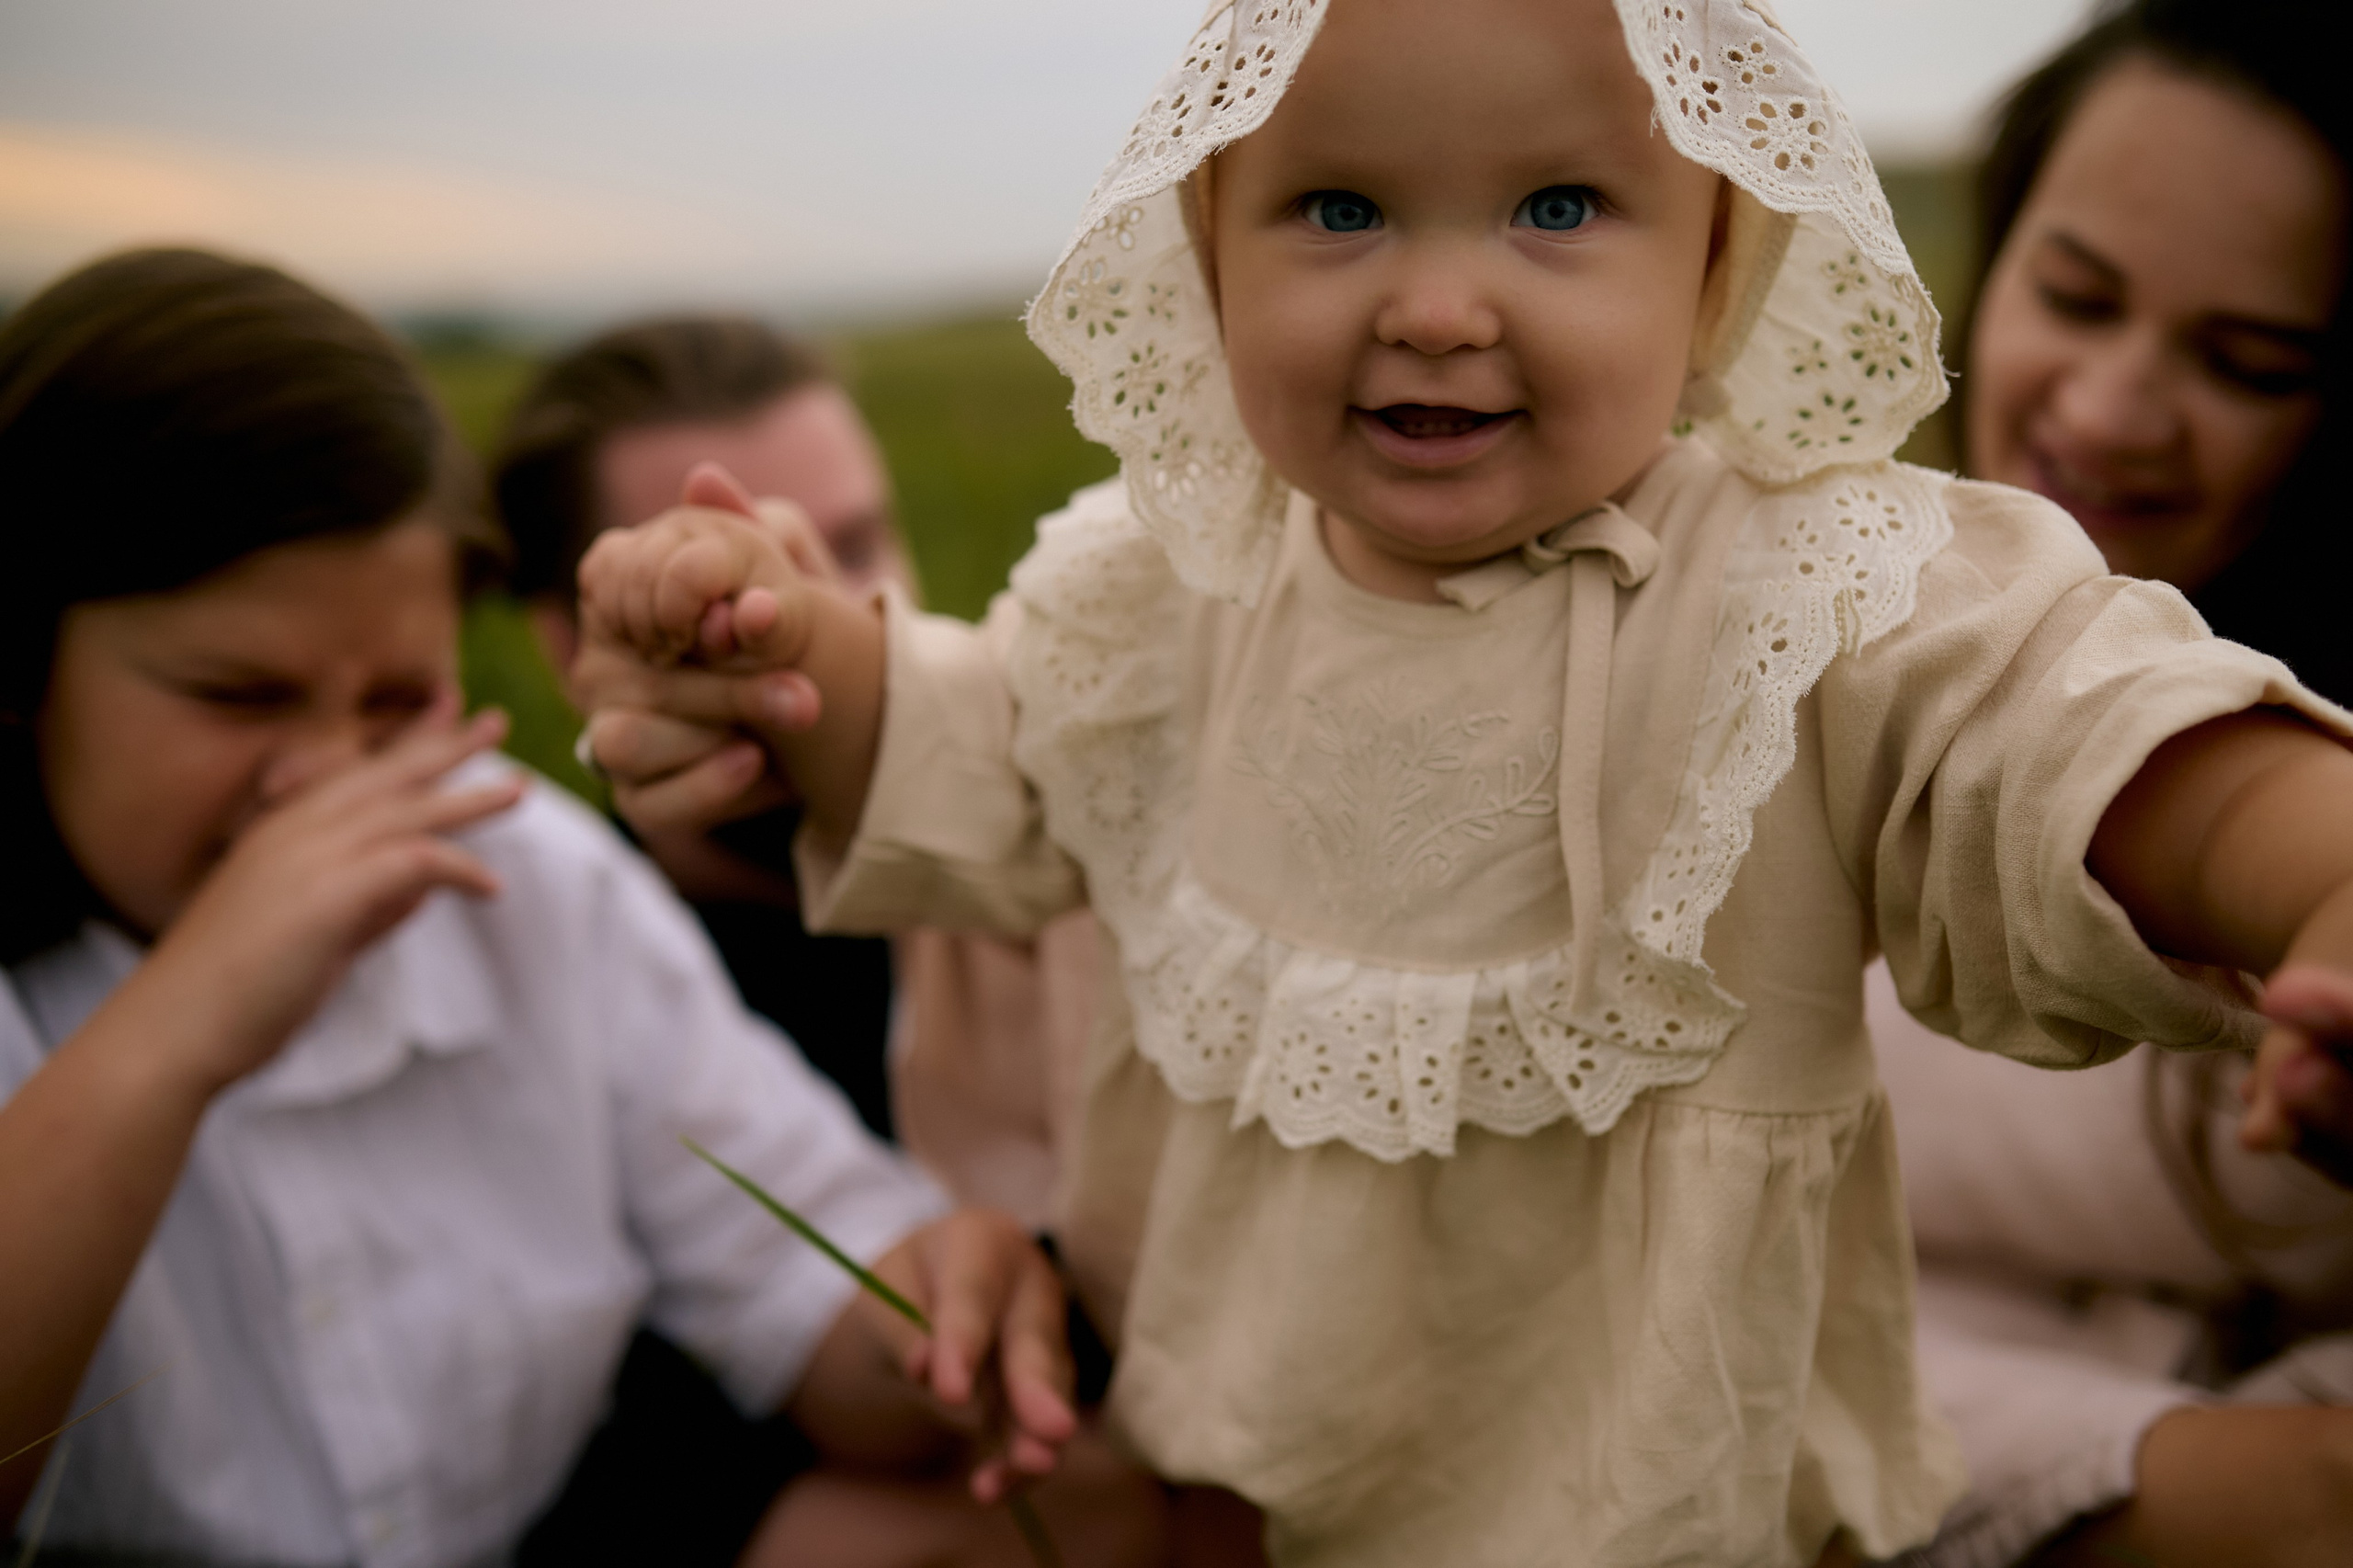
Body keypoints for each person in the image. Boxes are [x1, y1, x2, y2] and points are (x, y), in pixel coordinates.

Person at [576, 0, 2353, 1562]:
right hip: (1226, 1496)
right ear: (1207, 245)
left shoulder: (1808, 597)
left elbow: (2069, 739)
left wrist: (2312, 873)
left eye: (1558, 208)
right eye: (1335, 210)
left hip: (1652, 1521)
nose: (1436, 306)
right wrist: (789, 657)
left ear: (1716, 257)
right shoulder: (1171, 585)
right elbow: (978, 750)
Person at [0, 249, 1126, 1568]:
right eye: (237, 696)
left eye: (398, 704)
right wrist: (176, 1028)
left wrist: (936, 1306)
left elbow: (804, 1287)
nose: (323, 781)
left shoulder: (531, 880)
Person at [1866, 3, 2353, 1564]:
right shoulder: (1792, 622)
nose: (2111, 408)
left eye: (2247, 360)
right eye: (2074, 296)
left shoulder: (2273, 788)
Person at [494, 316, 1094, 1219]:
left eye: (852, 548)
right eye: (706, 591)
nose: (813, 615)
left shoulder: (1081, 829)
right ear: (565, 649)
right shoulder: (547, 993)